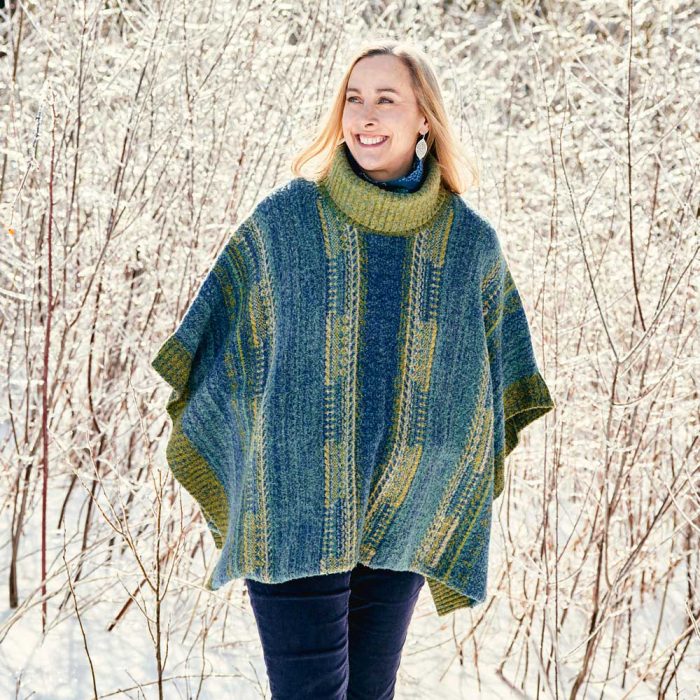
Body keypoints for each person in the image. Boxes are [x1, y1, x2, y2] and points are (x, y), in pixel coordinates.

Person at [151, 39, 555, 700]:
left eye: (386, 100)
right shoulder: (285, 224)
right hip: (292, 512)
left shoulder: (469, 246)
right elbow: (216, 355)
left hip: (403, 519)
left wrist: (439, 471)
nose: (365, 115)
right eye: (353, 98)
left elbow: (492, 391)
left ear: (424, 118)